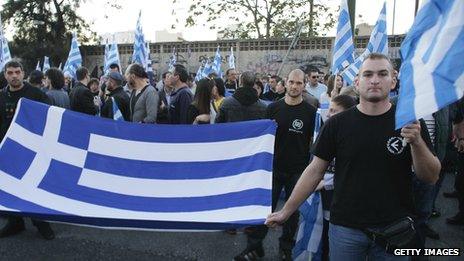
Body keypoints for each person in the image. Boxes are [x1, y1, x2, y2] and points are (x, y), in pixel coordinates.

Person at [266, 53, 441, 260]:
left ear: (393, 80)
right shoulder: (336, 124)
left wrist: (417, 142)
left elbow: (431, 176)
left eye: (382, 74)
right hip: (345, 230)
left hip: (394, 229)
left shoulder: (409, 121)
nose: (374, 80)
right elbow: (314, 171)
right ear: (357, 82)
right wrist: (286, 211)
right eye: (368, 74)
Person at [234, 69, 317, 261]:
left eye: (299, 83)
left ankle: (286, 248)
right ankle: (254, 248)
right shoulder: (273, 108)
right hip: (272, 168)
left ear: (304, 85)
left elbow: (315, 141)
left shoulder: (311, 112)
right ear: (285, 83)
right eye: (291, 82)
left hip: (298, 171)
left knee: (292, 212)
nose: (295, 86)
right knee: (264, 208)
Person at [0, 60, 55, 240]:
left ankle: (41, 223)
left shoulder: (36, 94)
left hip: (32, 151)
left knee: (33, 187)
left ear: (23, 73)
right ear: (5, 75)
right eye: (10, 72)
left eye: (17, 72)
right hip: (8, 152)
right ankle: (15, 223)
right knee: (10, 187)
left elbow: (51, 116)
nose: (14, 75)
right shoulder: (1, 96)